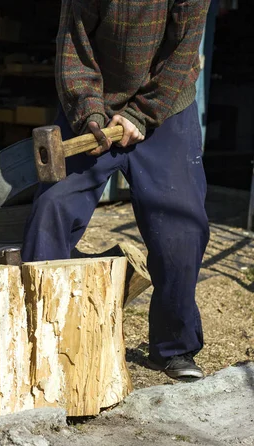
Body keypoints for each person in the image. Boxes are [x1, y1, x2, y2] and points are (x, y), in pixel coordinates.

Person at [21, 0, 210, 380]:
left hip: (166, 107)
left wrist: (142, 114)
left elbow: (181, 54)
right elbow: (73, 48)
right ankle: (37, 339)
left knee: (182, 231)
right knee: (51, 210)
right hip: (97, 108)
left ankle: (173, 347)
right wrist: (88, 112)